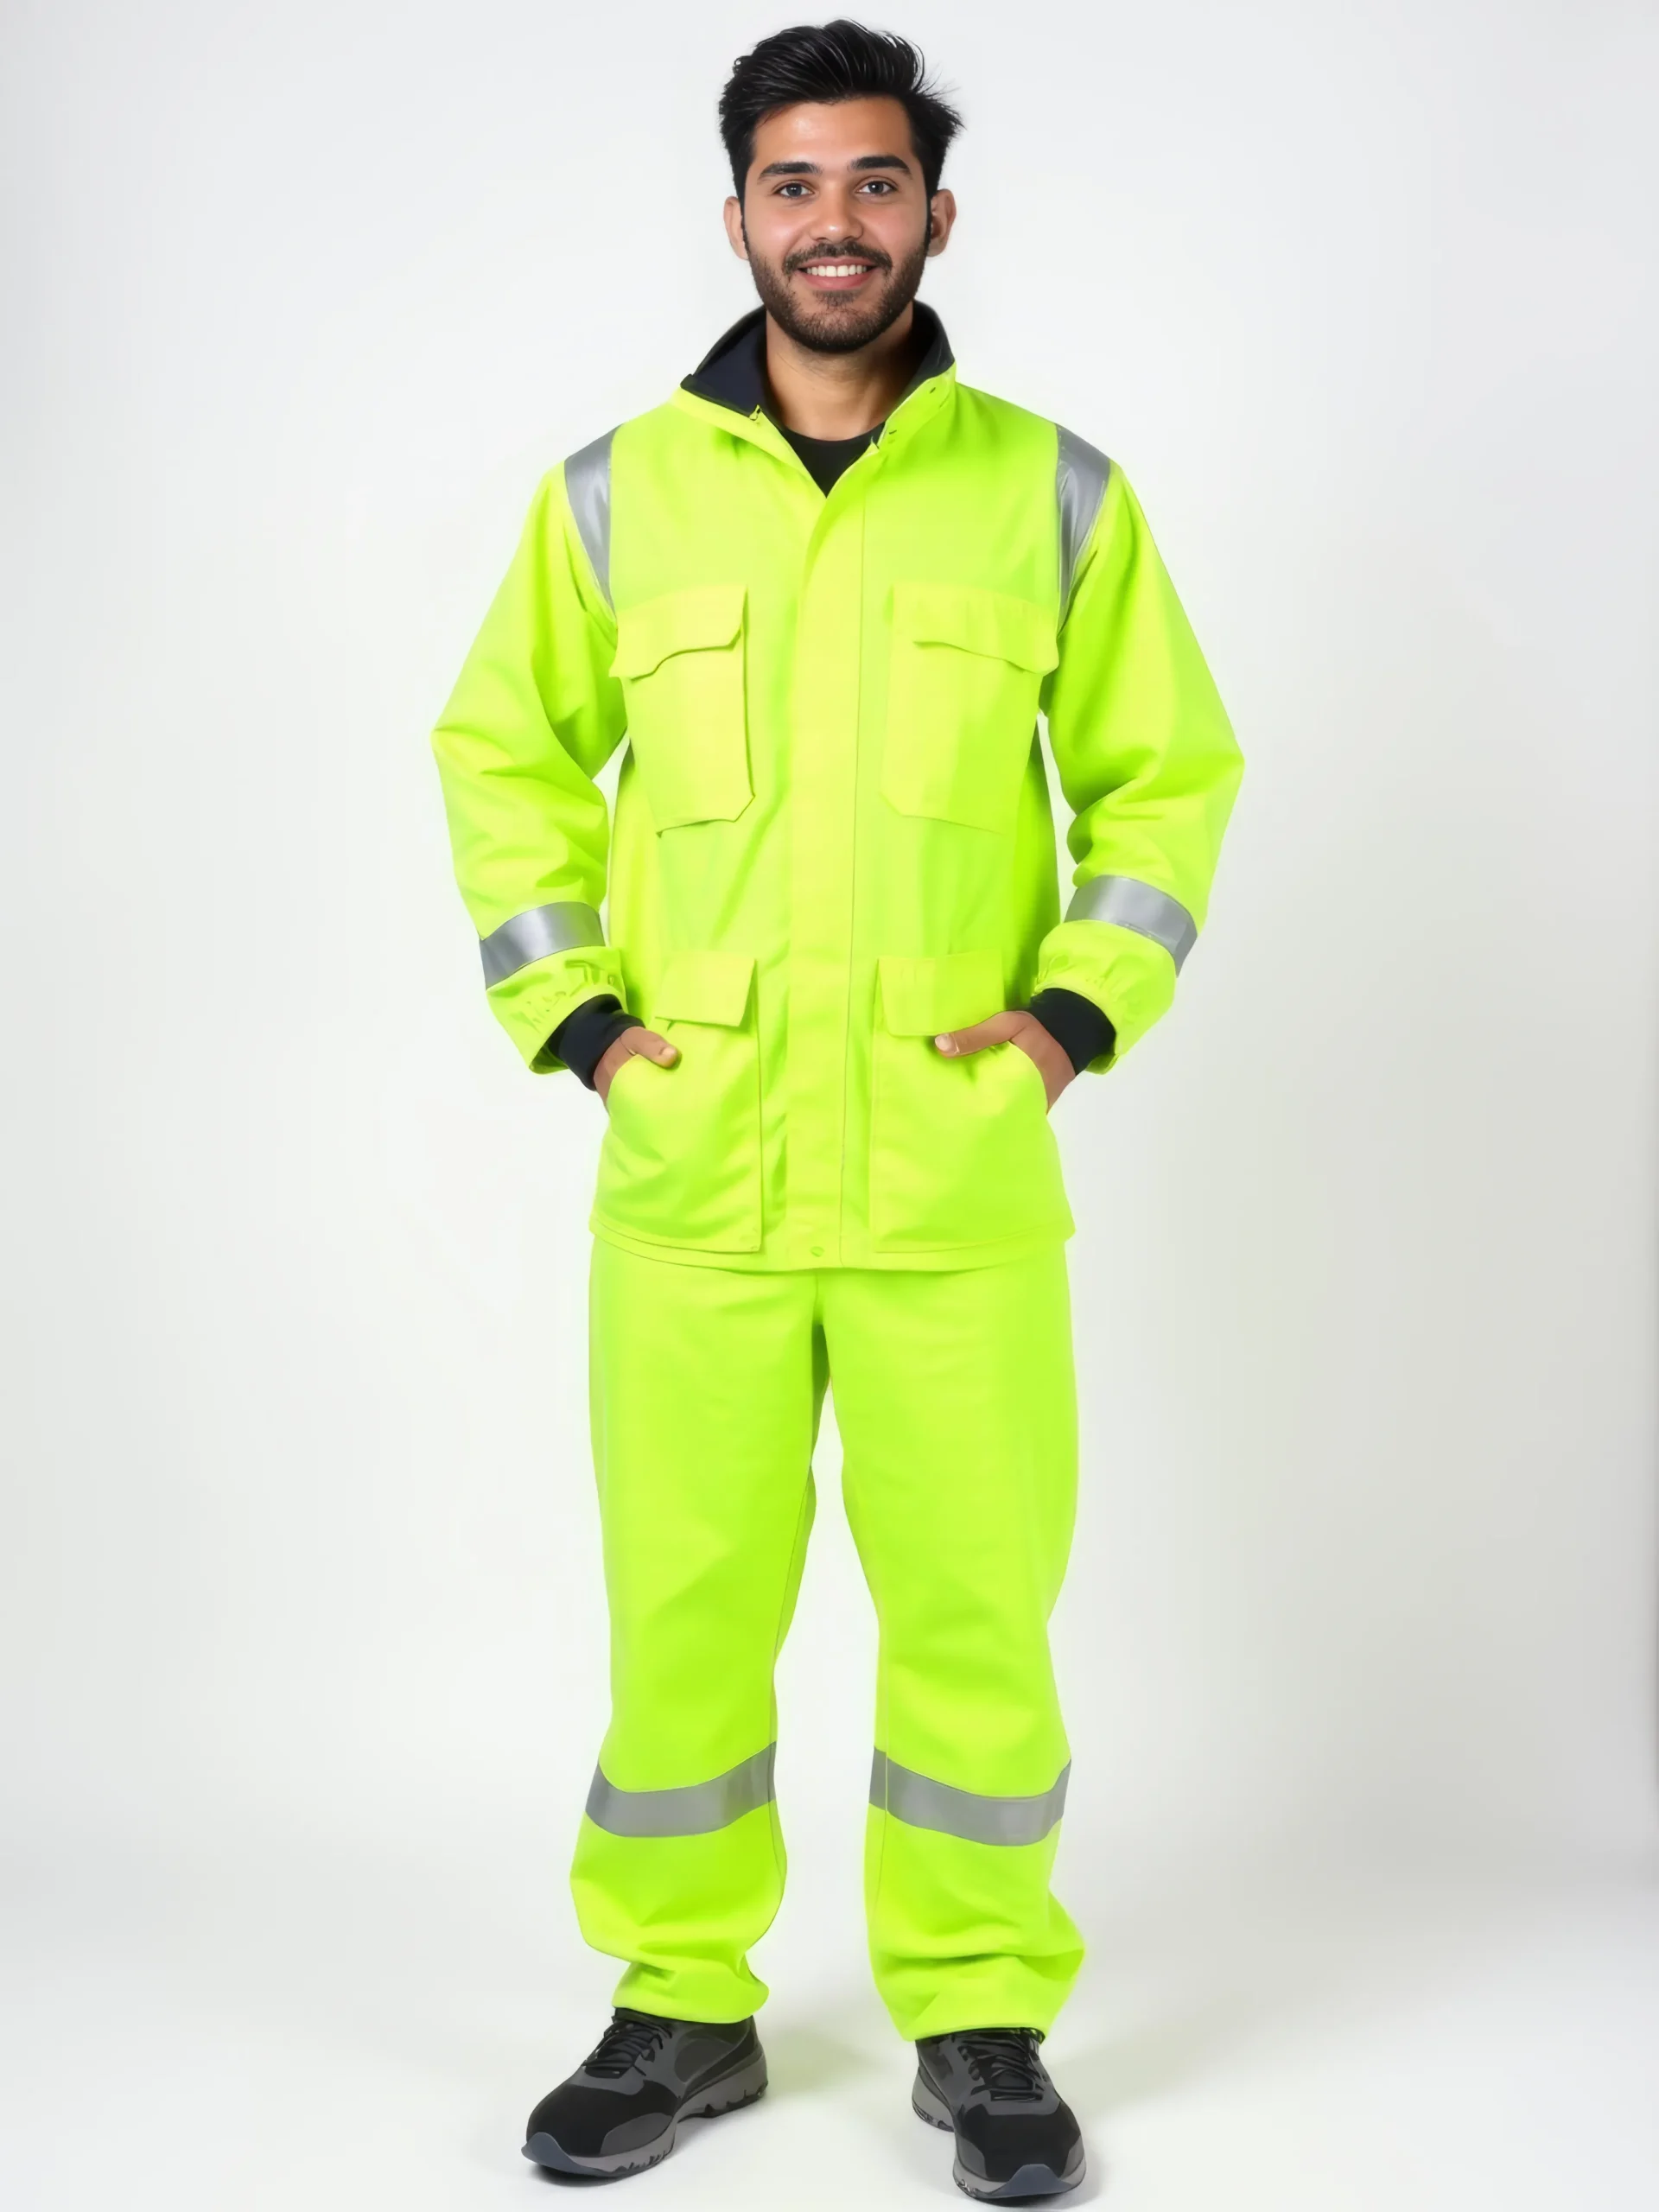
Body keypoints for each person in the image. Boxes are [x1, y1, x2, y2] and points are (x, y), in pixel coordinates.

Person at [429, 18, 1242, 2202]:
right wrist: (585, 1023)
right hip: (695, 1177)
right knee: (685, 1610)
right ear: (738, 220)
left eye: (876, 183)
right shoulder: (613, 494)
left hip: (952, 1176)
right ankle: (678, 2004)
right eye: (795, 185)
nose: (836, 223)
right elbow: (500, 755)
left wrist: (1072, 1015)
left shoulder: (1051, 492)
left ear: (935, 216)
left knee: (975, 1613)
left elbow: (1169, 777)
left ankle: (979, 2019)